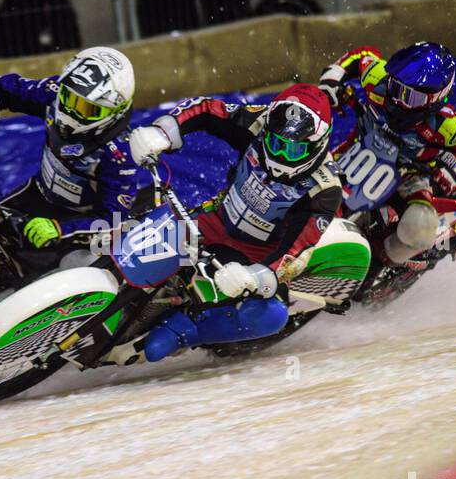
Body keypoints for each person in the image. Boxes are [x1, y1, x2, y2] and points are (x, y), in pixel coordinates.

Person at [125, 84, 341, 360]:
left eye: (294, 151)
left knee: (272, 316)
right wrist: (164, 131)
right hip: (216, 219)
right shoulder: (259, 121)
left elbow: (297, 252)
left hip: (253, 257)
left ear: (317, 146)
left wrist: (257, 276)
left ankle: (185, 330)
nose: (282, 156)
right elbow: (205, 109)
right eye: (276, 144)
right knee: (141, 221)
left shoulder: (325, 189)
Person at [0, 46, 141, 257]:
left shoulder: (120, 154)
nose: (71, 110)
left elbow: (114, 219)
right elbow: (2, 88)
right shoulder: (53, 93)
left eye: (87, 109)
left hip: (76, 224)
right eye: (69, 98)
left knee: (61, 280)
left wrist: (62, 229)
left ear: (114, 111)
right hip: (36, 194)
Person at [318, 42, 456, 270]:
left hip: (409, 176)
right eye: (397, 88)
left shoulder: (447, 125)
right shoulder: (378, 78)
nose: (399, 100)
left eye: (411, 97)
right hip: (354, 152)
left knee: (420, 225)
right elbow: (362, 54)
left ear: (436, 98)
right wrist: (333, 78)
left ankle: (385, 264)